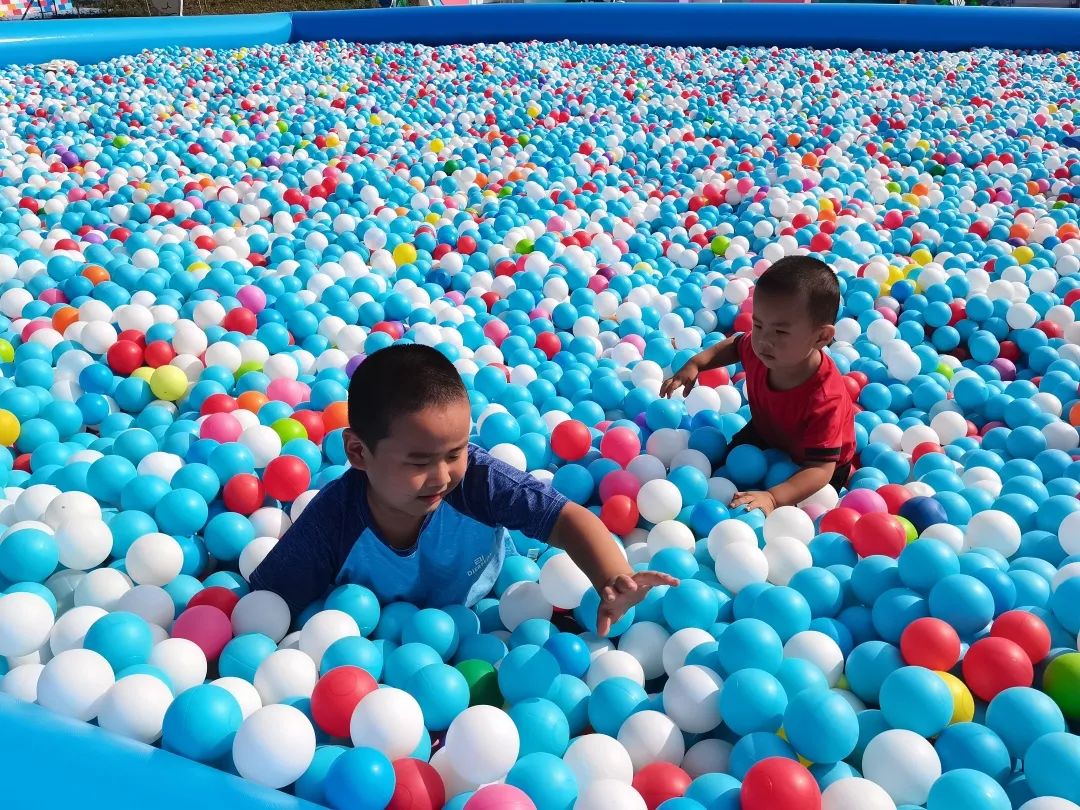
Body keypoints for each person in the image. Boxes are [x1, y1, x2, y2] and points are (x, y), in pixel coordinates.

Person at [250, 344, 676, 636]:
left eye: (454, 452)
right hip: (385, 638)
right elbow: (267, 604)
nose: (441, 476)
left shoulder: (478, 482)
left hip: (496, 603)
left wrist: (611, 578)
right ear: (358, 452)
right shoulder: (332, 521)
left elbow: (566, 519)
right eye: (418, 462)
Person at [661, 256, 855, 515]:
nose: (764, 340)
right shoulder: (762, 349)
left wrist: (773, 497)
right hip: (767, 431)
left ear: (821, 337)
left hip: (816, 463)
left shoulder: (824, 398)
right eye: (759, 324)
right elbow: (735, 346)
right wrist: (697, 363)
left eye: (781, 332)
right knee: (724, 466)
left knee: (804, 511)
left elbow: (820, 470)